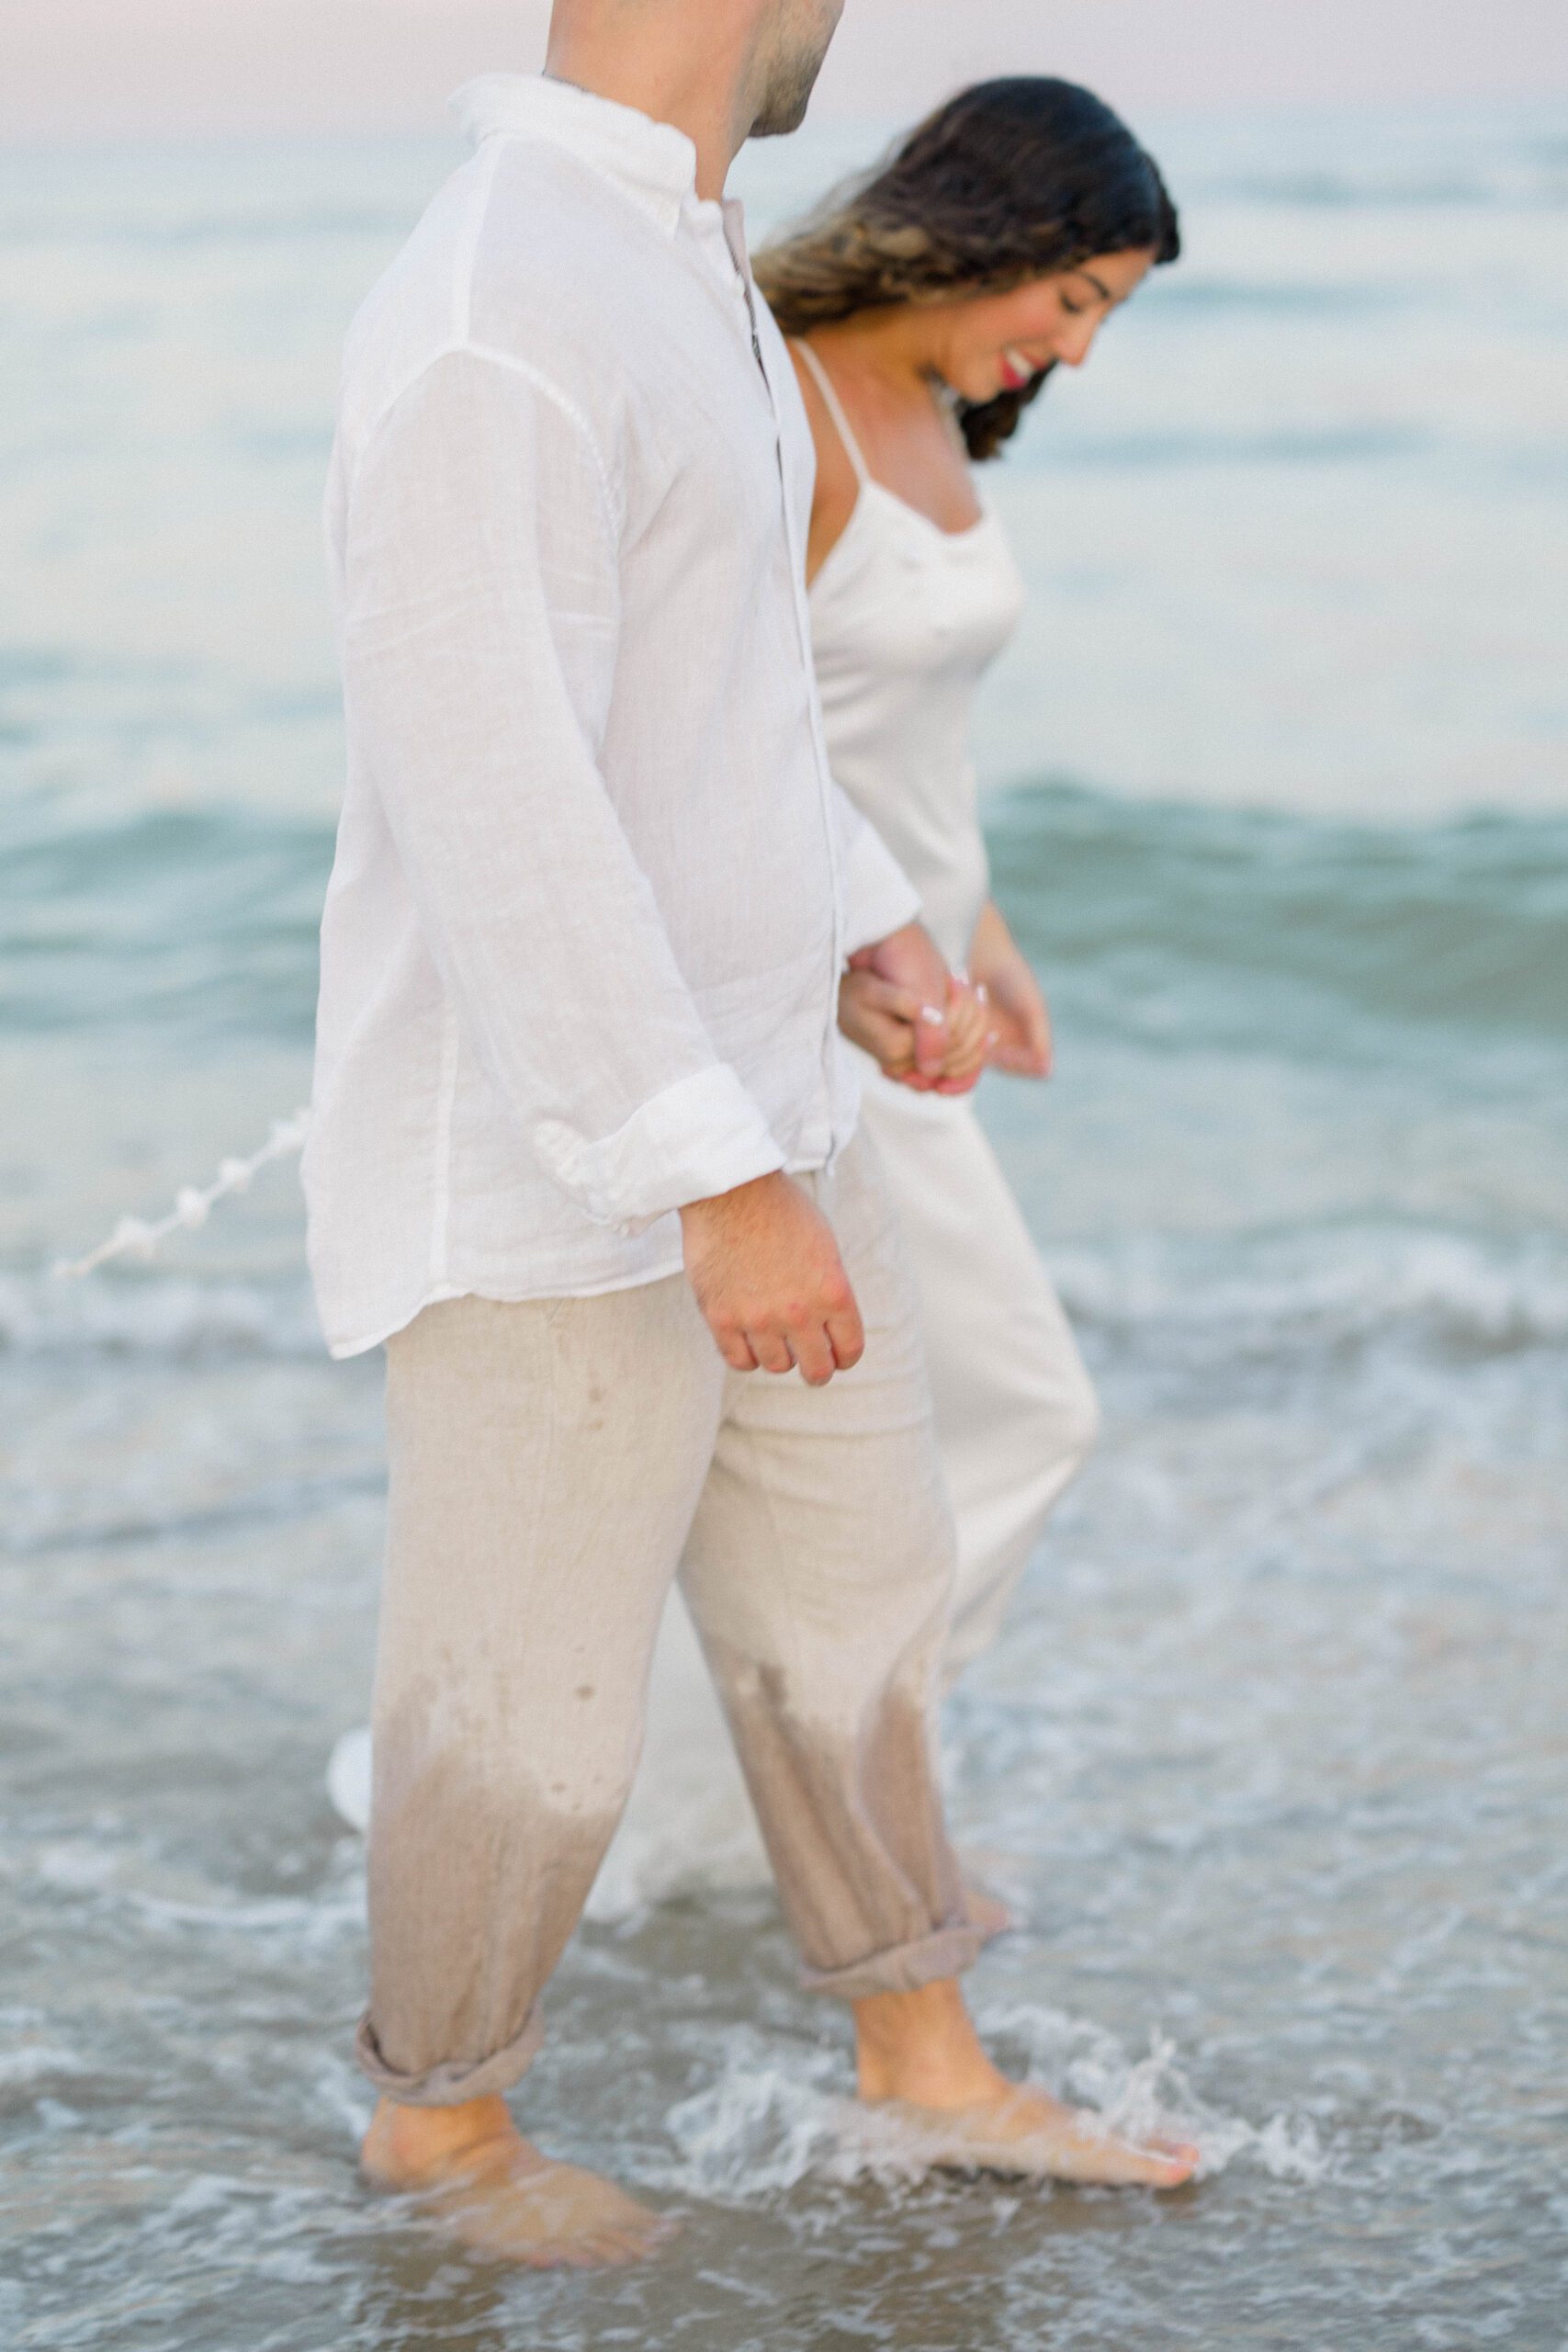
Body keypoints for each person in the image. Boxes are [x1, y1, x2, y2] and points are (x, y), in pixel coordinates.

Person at [308, 0, 1196, 2267]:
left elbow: (724, 721)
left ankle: (926, 2066)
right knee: (527, 1703)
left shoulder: (682, 260)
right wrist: (708, 1175)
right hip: (568, 1168)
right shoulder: (498, 298)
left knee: (854, 1602)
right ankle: (444, 2137)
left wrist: (872, 931)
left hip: (773, 1098)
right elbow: (496, 783)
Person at [614, 79, 1180, 1910]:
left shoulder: (930, 404)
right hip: (818, 1011)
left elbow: (900, 731)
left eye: (1103, 314)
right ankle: (834, 1815)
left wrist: (983, 917)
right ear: (986, 228)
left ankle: (818, 1806)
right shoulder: (780, 409)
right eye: (1074, 296)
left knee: (910, 1435)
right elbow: (707, 743)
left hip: (920, 987)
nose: (1074, 350)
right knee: (1020, 1411)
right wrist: (856, 968)